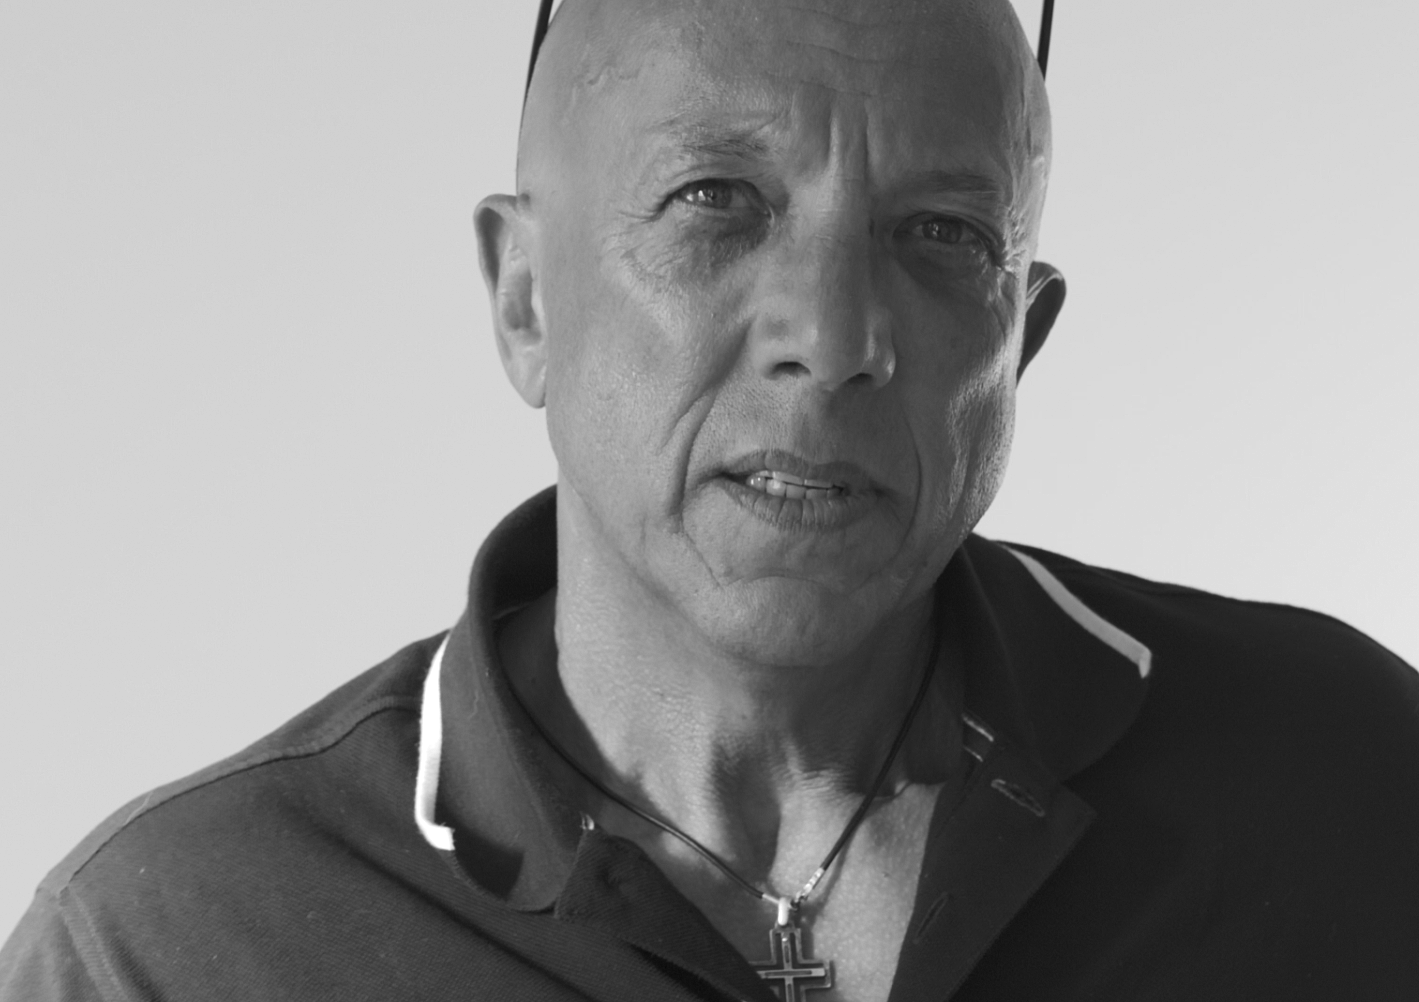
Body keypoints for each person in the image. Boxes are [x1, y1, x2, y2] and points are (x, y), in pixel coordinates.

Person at [3, 0, 1417, 998]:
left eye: (939, 235)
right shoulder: (174, 948)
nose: (835, 331)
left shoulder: (1348, 783)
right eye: (713, 203)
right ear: (521, 298)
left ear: (1019, 337)